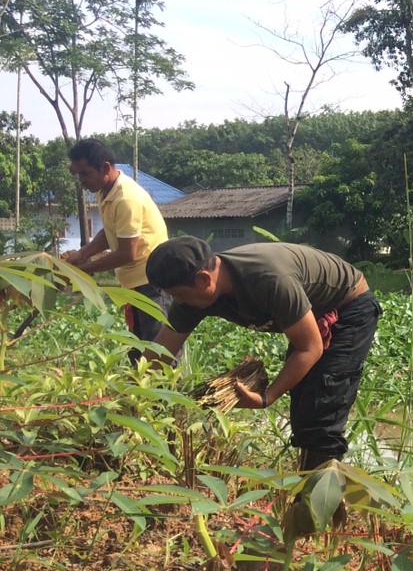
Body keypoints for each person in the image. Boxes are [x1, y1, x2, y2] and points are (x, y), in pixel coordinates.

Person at [145, 236, 381, 479]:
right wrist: (131, 398)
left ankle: (319, 504)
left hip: (347, 306)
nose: (178, 303)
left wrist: (266, 397)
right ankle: (306, 493)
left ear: (205, 279)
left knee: (322, 410)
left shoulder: (268, 280)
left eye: (179, 296)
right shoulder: (196, 292)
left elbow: (310, 348)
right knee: (302, 412)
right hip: (310, 310)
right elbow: (158, 354)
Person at [61, 139, 170, 360]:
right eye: (78, 175)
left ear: (105, 168)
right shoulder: (105, 191)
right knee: (138, 348)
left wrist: (85, 270)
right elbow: (110, 233)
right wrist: (82, 254)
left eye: (85, 174)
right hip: (134, 283)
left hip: (152, 281)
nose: (82, 181)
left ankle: (165, 394)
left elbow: (126, 252)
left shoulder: (126, 198)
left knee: (158, 350)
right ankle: (144, 395)